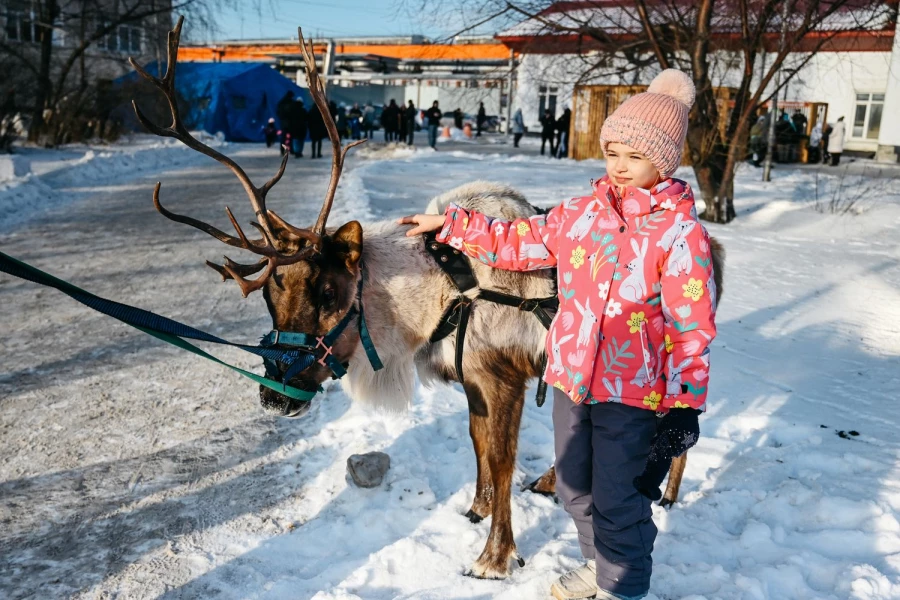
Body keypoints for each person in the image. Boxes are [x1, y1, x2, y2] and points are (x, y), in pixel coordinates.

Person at [398, 69, 717, 600]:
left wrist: (684, 405)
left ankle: (623, 585)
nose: (618, 166)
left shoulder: (681, 235)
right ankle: (600, 565)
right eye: (613, 152)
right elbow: (517, 241)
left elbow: (691, 329)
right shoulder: (580, 215)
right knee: (572, 488)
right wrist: (453, 226)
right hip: (571, 378)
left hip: (634, 391)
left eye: (634, 157)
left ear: (664, 161)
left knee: (620, 497)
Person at [276, 91, 295, 155]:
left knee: (283, 138)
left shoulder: (282, 102)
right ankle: (291, 149)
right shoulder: (291, 103)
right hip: (290, 122)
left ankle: (282, 150)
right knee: (291, 137)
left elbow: (278, 112)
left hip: (284, 122)